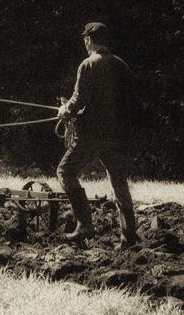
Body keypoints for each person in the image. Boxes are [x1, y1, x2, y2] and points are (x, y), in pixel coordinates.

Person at [57, 22, 138, 249]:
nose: (84, 42)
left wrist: (65, 111)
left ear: (90, 40)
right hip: (118, 136)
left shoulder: (88, 65)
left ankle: (84, 224)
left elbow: (78, 101)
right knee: (119, 182)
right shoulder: (122, 65)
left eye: (85, 38)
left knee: (65, 171)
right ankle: (128, 237)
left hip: (91, 135)